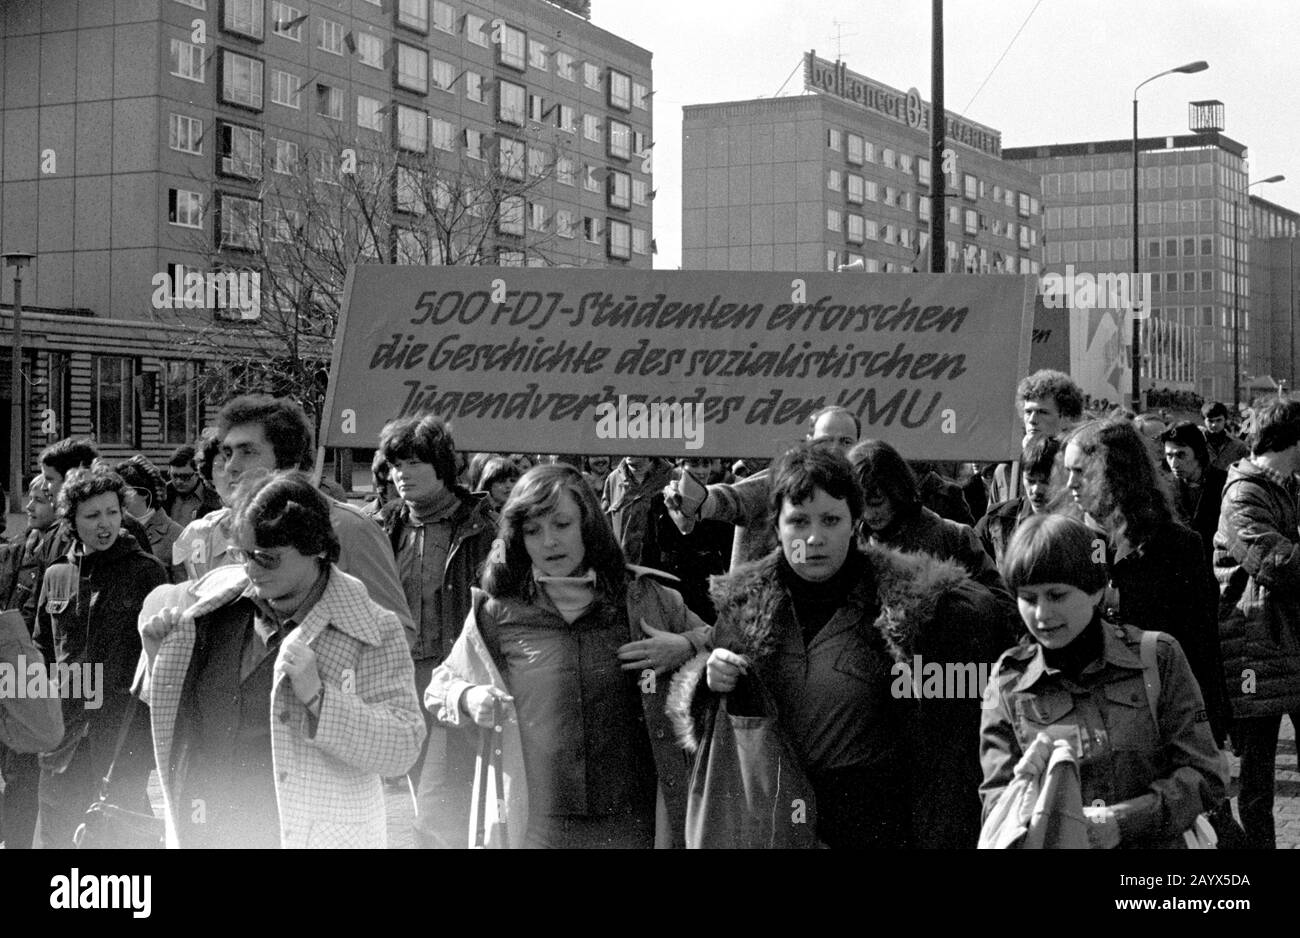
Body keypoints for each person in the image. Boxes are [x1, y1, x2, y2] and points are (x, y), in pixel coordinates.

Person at [670, 442, 1005, 848]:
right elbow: (711, 732)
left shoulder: (912, 606)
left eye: (831, 520)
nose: (814, 538)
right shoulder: (743, 606)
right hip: (771, 821)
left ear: (855, 522)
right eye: (799, 521)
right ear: (777, 526)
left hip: (869, 826)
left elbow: (949, 735)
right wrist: (709, 683)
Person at [426, 463, 710, 848]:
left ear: (588, 526)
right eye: (533, 530)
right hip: (536, 825)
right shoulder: (496, 612)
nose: (549, 542)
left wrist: (686, 646)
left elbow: (727, 643)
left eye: (561, 524)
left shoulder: (643, 599)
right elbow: (439, 688)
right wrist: (468, 697)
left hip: (632, 823)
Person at [139, 471, 425, 848]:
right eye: (244, 555)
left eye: (268, 559)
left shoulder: (372, 628)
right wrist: (160, 660)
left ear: (318, 548)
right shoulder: (212, 609)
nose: (251, 570)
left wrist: (320, 699)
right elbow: (181, 722)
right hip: (209, 829)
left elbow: (401, 748)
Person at [979, 513, 1227, 848]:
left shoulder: (1157, 657)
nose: (1041, 614)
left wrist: (1124, 821)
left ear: (1095, 590)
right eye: (1028, 598)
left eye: (1056, 595)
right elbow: (997, 803)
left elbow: (1206, 774)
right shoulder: (1009, 681)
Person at [1062, 419, 1230, 748]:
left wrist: (1209, 724)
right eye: (1067, 471)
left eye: (1081, 472)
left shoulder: (1176, 546)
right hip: (1088, 730)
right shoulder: (1063, 544)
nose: (1070, 484)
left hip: (1160, 723)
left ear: (1116, 472)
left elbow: (1200, 646)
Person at [374, 415, 497, 849]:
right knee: (417, 795)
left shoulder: (484, 529)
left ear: (442, 466)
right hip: (397, 682)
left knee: (440, 804)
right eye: (394, 465)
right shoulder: (383, 528)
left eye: (412, 463)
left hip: (457, 681)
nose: (401, 474)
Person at [34, 467, 167, 849]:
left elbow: (163, 661)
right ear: (72, 520)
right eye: (92, 516)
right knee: (59, 836)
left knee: (122, 837)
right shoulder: (56, 574)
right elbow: (42, 650)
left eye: (112, 512)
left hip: (122, 737)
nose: (104, 524)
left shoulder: (147, 573)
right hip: (65, 738)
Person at [212, 395, 413, 635]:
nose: (231, 466)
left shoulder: (349, 527)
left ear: (289, 461)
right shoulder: (227, 530)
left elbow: (397, 632)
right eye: (227, 453)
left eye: (247, 452)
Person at [1213, 397, 1300, 849]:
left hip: (1287, 643)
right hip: (1254, 647)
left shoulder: (1289, 485)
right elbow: (1276, 563)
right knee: (1258, 775)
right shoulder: (1243, 491)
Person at [663, 405, 862, 568]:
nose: (835, 449)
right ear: (809, 442)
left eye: (845, 441)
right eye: (825, 440)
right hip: (765, 603)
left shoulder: (862, 491)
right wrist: (698, 500)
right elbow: (735, 498)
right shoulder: (783, 480)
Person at [849, 440, 1016, 626]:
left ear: (897, 492)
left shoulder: (954, 538)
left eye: (877, 503)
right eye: (862, 504)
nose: (870, 514)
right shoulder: (850, 544)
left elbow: (1002, 608)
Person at [21, 438, 153, 628]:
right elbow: (40, 616)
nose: (44, 487)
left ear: (73, 477)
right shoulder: (53, 535)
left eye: (49, 479)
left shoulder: (127, 528)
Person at [989, 369, 1084, 504]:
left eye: (1043, 412)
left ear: (1066, 417)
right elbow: (993, 521)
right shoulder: (1006, 471)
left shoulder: (1078, 467)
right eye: (1028, 412)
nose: (1032, 420)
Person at [975, 436, 1062, 568]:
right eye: (1031, 481)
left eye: (1045, 482)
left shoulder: (1082, 524)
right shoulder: (996, 521)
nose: (1037, 489)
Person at [1162, 421, 1228, 570]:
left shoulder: (1224, 483)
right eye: (1169, 456)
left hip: (1216, 568)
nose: (1174, 463)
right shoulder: (1165, 488)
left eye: (1181, 455)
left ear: (1198, 452)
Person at [116, 456, 185, 582]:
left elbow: (182, 588)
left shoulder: (176, 535)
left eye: (125, 491)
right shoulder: (115, 528)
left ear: (145, 493)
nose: (119, 497)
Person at [602, 455, 676, 566]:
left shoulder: (672, 476)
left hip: (662, 568)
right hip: (625, 567)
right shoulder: (613, 478)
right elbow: (604, 526)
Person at [162, 444, 223, 526]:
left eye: (185, 477)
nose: (179, 481)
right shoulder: (160, 496)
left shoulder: (216, 499)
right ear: (169, 472)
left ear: (198, 473)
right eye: (175, 476)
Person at [1202, 401, 1251, 472]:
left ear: (1225, 420)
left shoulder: (1239, 446)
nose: (1214, 425)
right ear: (1204, 420)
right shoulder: (1197, 444)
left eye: (1219, 420)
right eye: (1210, 421)